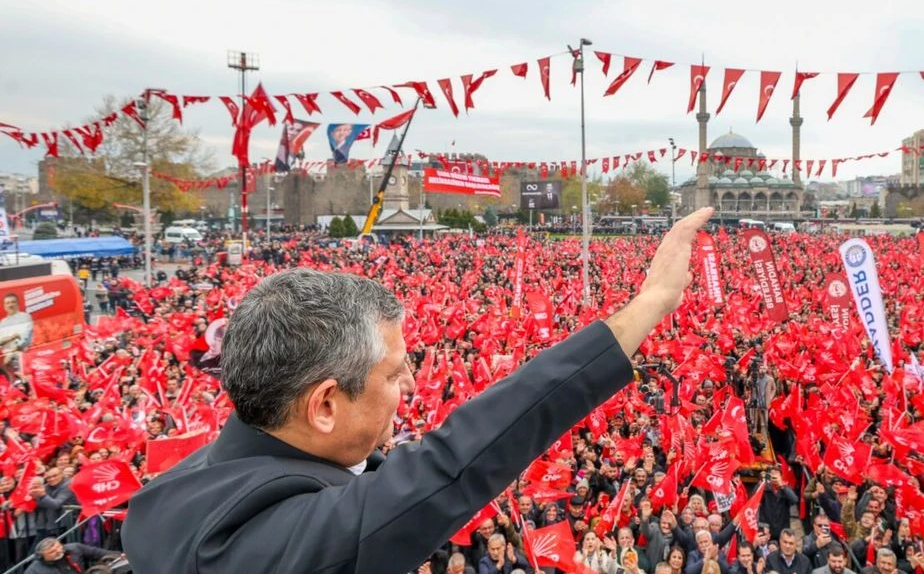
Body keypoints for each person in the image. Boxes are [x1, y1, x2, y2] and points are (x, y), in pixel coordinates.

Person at [120, 208, 716, 573]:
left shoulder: (169, 496)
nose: (409, 383)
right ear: (324, 405)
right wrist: (649, 305)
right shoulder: (272, 547)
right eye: (392, 372)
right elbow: (453, 465)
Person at [23, 538, 120, 574]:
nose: (58, 551)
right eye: (52, 552)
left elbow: (98, 552)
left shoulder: (74, 548)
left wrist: (122, 555)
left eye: (59, 547)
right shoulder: (33, 570)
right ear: (42, 557)